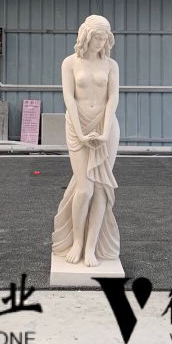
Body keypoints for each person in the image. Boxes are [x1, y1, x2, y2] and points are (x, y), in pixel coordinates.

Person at [52, 15, 121, 268]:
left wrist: (105, 132)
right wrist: (81, 133)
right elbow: (69, 98)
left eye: (105, 38)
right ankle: (77, 242)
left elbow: (113, 99)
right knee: (85, 189)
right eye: (97, 37)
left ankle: (91, 246)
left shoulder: (111, 65)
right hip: (77, 125)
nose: (101, 42)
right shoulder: (70, 63)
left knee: (101, 187)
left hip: (106, 127)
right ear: (86, 36)